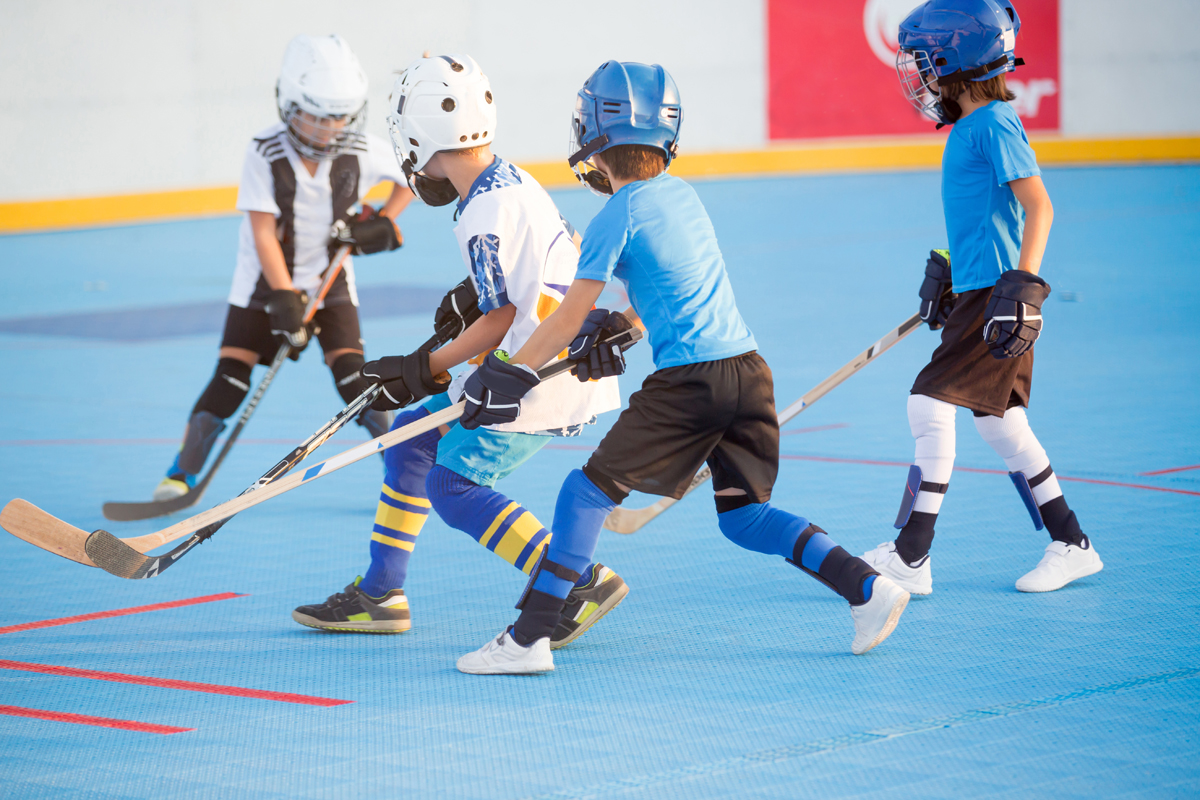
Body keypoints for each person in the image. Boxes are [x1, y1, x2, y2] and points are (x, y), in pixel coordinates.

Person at [454, 60, 912, 675]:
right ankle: (866, 588)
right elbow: (669, 293)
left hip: (692, 383)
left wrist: (509, 372)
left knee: (583, 493)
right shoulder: (684, 197)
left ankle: (529, 638)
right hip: (748, 370)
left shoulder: (614, 214)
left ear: (594, 136)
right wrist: (624, 327)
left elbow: (564, 318)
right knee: (745, 517)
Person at [292, 55, 629, 647]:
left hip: (532, 375)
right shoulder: (510, 179)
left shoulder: (481, 211)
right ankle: (380, 593)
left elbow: (501, 321)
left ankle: (576, 580)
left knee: (453, 486)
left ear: (417, 139)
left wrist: (420, 369)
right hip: (546, 357)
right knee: (412, 449)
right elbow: (543, 263)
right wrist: (473, 294)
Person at [861, 0, 1102, 595]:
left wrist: (1022, 289)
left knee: (927, 406)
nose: (917, 74)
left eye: (922, 61)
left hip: (997, 296)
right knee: (1002, 425)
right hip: (979, 289)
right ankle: (1071, 544)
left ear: (952, 59)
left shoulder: (993, 122)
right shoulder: (972, 126)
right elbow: (985, 218)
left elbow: (1038, 205)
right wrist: (949, 269)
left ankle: (912, 555)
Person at [154, 34, 411, 501]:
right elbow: (261, 232)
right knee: (231, 378)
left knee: (355, 378)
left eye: (338, 116)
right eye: (314, 116)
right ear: (289, 106)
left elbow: (410, 176)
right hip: (262, 287)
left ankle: (401, 473)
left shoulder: (360, 148)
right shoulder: (264, 151)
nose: (327, 128)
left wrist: (382, 221)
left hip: (330, 284)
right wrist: (285, 300)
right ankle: (180, 475)